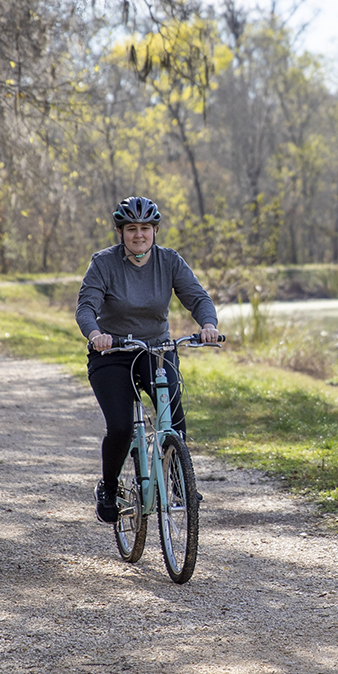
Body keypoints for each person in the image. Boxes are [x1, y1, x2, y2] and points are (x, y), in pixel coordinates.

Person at [75, 197, 220, 523]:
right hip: (111, 353)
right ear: (120, 232)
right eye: (131, 229)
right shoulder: (103, 263)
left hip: (156, 351)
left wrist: (208, 324)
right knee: (122, 426)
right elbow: (86, 307)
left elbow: (197, 297)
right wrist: (96, 334)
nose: (138, 235)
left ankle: (179, 480)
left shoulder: (169, 261)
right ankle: (109, 487)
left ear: (154, 231)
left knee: (175, 419)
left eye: (144, 228)